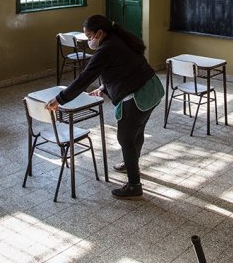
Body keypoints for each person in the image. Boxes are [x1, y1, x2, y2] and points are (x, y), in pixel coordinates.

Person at [46, 15, 164, 199]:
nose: (88, 40)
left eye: (89, 35)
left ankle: (134, 185)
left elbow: (84, 79)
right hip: (152, 88)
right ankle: (131, 163)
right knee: (136, 132)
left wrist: (59, 99)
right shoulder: (118, 40)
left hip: (139, 95)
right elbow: (125, 68)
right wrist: (104, 87)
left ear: (99, 33)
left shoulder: (106, 48)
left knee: (125, 137)